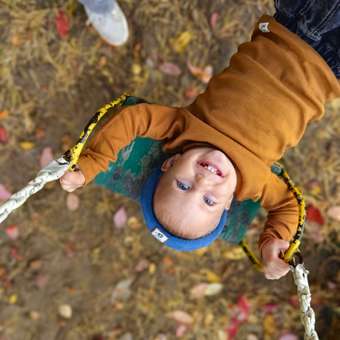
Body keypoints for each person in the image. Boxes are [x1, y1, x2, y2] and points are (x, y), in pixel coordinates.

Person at [60, 0, 340, 280]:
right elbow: (286, 205)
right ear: (229, 202)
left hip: (299, 24)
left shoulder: (182, 129)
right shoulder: (253, 183)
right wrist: (273, 240)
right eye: (209, 201)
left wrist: (92, 164)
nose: (203, 182)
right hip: (332, 71)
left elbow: (133, 120)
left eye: (183, 185)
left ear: (170, 163)